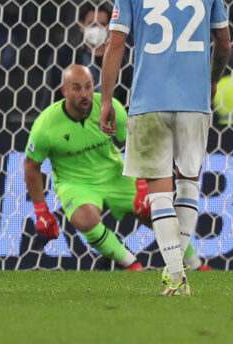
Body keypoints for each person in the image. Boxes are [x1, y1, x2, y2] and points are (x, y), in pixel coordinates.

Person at [100, 0, 231, 296]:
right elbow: (224, 43)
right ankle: (178, 271)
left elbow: (115, 45)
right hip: (194, 100)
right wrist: (212, 80)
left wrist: (106, 100)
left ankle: (176, 276)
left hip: (148, 101)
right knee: (189, 182)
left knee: (159, 190)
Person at [27, 65, 205, 271]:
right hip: (75, 182)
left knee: (157, 209)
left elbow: (135, 145)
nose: (84, 94)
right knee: (84, 219)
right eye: (76, 88)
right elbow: (31, 166)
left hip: (115, 174)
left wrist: (142, 186)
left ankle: (194, 264)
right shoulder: (46, 125)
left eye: (88, 87)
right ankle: (131, 264)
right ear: (64, 91)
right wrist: (41, 210)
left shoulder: (109, 109)